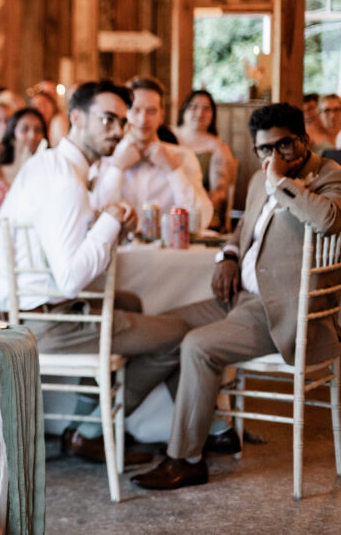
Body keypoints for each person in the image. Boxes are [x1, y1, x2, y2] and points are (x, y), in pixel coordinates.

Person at [132, 103, 341, 490]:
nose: (275, 157)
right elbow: (244, 227)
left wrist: (281, 183)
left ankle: (186, 459)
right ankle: (205, 428)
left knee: (197, 346)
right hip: (239, 298)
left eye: (285, 146)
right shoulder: (261, 177)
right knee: (166, 327)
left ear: (305, 140)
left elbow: (329, 220)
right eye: (265, 149)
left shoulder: (329, 175)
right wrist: (228, 254)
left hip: (285, 309)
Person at [0, 81, 191, 464]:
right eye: (108, 119)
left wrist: (104, 221)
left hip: (28, 313)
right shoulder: (66, 182)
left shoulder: (52, 164)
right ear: (77, 118)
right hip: (44, 325)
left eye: (122, 121)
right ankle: (95, 429)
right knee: (179, 335)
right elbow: (70, 278)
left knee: (131, 301)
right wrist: (111, 220)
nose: (118, 130)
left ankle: (86, 424)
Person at [94, 77, 214, 230]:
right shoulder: (106, 158)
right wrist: (117, 168)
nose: (143, 120)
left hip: (167, 252)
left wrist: (174, 170)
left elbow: (202, 220)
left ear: (161, 116)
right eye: (136, 110)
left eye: (151, 111)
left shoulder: (183, 157)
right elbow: (96, 215)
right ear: (125, 113)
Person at [173, 90, 238, 230]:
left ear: (213, 114)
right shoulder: (167, 135)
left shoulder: (218, 147)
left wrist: (196, 213)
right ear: (184, 109)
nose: (200, 113)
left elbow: (219, 192)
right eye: (194, 106)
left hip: (198, 213)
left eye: (206, 108)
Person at [0, 107, 47, 208]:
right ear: (12, 135)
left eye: (38, 130)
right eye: (25, 129)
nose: (32, 135)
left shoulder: (47, 172)